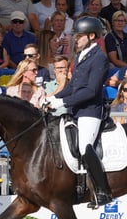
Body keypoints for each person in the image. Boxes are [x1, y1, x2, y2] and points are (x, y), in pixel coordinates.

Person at [45, 17, 112, 209]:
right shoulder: (81, 56)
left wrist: (62, 102)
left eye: (80, 36)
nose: (76, 39)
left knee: (84, 146)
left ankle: (102, 192)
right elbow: (73, 86)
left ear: (92, 36)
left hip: (90, 111)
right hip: (76, 110)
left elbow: (91, 91)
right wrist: (53, 97)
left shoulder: (100, 58)